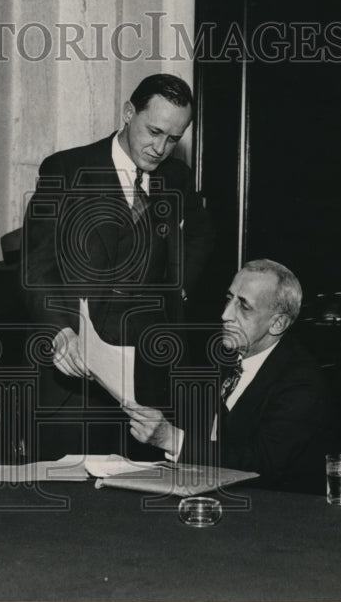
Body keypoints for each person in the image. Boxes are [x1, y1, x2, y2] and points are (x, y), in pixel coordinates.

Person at [22, 73, 214, 457]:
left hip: (149, 371)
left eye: (173, 139)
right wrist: (60, 329)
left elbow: (201, 236)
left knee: (144, 489)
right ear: (129, 113)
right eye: (154, 131)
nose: (160, 148)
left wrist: (176, 289)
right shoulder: (66, 169)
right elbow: (37, 264)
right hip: (78, 367)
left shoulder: (176, 177)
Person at [126, 259, 325, 490]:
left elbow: (262, 465)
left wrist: (171, 439)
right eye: (229, 299)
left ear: (278, 323)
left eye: (244, 306)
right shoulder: (224, 356)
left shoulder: (301, 382)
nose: (225, 315)